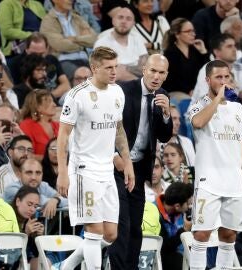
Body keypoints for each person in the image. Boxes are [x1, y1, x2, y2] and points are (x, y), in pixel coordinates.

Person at [56, 46, 135, 270]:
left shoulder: (117, 92)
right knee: (94, 232)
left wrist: (127, 162)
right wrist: (63, 172)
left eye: (116, 67)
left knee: (110, 234)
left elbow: (118, 130)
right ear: (94, 68)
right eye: (108, 67)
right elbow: (62, 135)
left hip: (106, 170)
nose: (114, 72)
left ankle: (67, 265)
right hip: (83, 170)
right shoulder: (77, 95)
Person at [187, 60, 242, 270]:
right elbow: (198, 123)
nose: (224, 81)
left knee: (229, 234)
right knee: (201, 233)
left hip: (233, 181)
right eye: (219, 77)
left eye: (227, 77)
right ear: (208, 80)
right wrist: (218, 98)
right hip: (208, 181)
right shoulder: (198, 105)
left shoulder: (237, 109)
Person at [109, 53, 172, 270]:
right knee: (122, 224)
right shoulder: (123, 90)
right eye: (152, 70)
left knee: (136, 226)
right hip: (117, 165)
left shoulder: (163, 95)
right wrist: (114, 156)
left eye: (161, 72)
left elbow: (164, 136)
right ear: (144, 70)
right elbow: (107, 127)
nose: (156, 76)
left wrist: (166, 114)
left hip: (139, 168)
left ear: (166, 75)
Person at [40, 0, 97, 80]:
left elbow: (94, 39)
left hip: (85, 58)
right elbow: (60, 45)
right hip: (63, 61)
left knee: (106, 75)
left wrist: (74, 38)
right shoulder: (48, 21)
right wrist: (83, 42)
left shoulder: (77, 18)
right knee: (83, 77)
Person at [94, 7, 149, 81]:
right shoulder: (102, 43)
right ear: (113, 21)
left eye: (128, 19)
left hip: (140, 80)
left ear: (133, 23)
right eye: (120, 17)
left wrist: (125, 68)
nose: (124, 21)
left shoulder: (137, 38)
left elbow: (145, 67)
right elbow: (105, 73)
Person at [162, 18, 209, 100]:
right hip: (176, 92)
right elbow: (172, 80)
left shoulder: (195, 50)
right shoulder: (170, 53)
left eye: (193, 31)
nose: (193, 34)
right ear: (177, 34)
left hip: (196, 91)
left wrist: (203, 51)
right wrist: (188, 91)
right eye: (188, 31)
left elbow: (206, 70)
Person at [155, 182, 193, 270]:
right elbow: (163, 248)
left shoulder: (184, 213)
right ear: (177, 206)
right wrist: (184, 230)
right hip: (165, 261)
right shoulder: (154, 214)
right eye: (187, 204)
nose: (189, 207)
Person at [11, 186, 44, 270]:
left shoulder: (31, 220)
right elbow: (11, 252)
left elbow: (36, 254)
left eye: (35, 206)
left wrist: (38, 237)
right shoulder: (8, 217)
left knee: (42, 261)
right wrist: (25, 233)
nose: (32, 209)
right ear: (18, 201)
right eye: (29, 204)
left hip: (24, 260)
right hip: (9, 261)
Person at [19, 89, 59, 158]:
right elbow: (27, 155)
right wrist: (49, 160)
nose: (55, 105)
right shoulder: (26, 125)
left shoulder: (58, 125)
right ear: (37, 107)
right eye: (49, 102)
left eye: (53, 101)